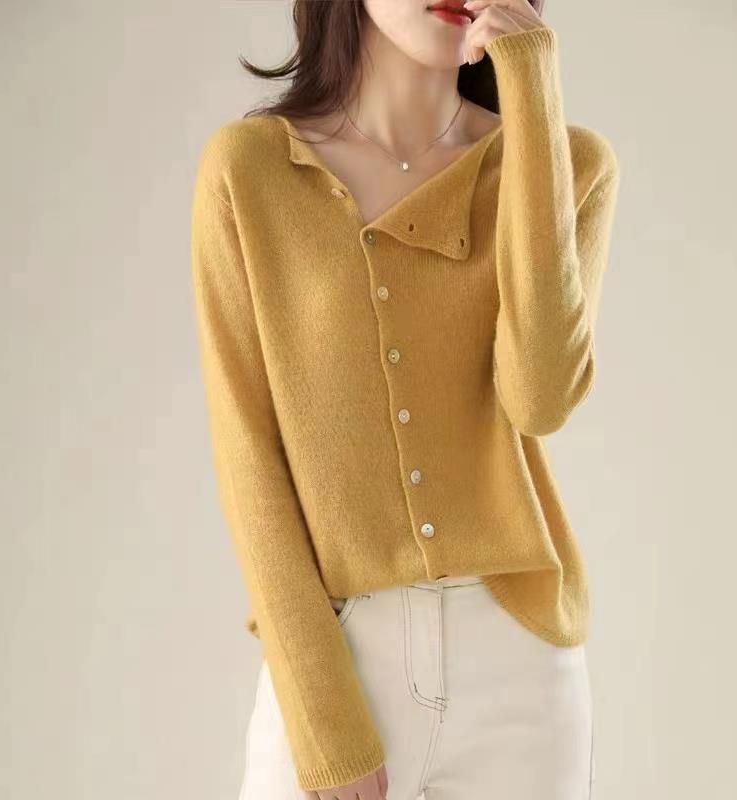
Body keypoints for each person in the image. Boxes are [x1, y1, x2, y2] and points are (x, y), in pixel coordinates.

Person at [190, 1, 620, 798]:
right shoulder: (249, 172)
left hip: (521, 670)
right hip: (340, 655)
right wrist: (323, 719)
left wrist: (532, 91)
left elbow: (540, 398)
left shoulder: (571, 164)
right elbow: (247, 455)